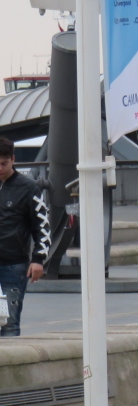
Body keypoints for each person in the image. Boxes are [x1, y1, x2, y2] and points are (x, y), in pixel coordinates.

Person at [0, 137, 49, 336]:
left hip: (14, 264)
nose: (0, 168)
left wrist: (38, 259)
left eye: (4, 163)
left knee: (9, 323)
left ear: (13, 159)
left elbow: (42, 226)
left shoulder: (29, 188)